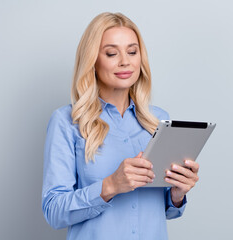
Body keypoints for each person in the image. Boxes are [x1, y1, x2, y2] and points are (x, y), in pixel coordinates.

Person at [41, 12, 200, 240]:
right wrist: (110, 186)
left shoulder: (158, 121)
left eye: (132, 52)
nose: (125, 61)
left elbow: (164, 211)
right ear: (92, 60)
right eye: (111, 53)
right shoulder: (66, 122)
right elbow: (53, 211)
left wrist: (177, 194)